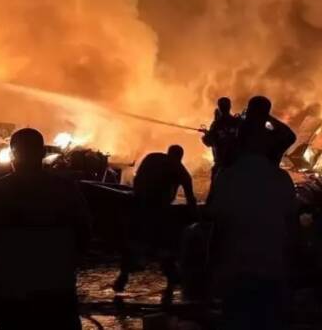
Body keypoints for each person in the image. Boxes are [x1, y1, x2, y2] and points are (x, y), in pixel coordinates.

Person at [0, 128, 92, 330]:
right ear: (43, 154)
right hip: (57, 286)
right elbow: (85, 232)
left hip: (15, 288)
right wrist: (68, 262)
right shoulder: (65, 189)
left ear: (13, 153)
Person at [207, 119, 299, 329]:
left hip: (236, 274)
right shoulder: (281, 179)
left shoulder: (226, 177)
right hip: (272, 272)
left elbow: (217, 229)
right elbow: (294, 231)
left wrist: (211, 271)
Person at [114, 144, 197, 297]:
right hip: (158, 208)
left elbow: (137, 178)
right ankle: (171, 279)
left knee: (134, 241)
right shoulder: (180, 170)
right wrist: (196, 217)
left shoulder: (152, 157)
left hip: (139, 204)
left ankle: (123, 277)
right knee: (164, 244)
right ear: (180, 157)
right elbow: (190, 199)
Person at [240, 95, 297, 165]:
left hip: (252, 166)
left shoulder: (265, 125)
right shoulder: (265, 126)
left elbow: (290, 137)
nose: (248, 110)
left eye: (250, 108)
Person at [202, 97, 240, 179]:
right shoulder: (237, 122)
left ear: (219, 107)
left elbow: (208, 142)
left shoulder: (216, 124)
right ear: (230, 106)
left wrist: (205, 135)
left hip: (221, 164)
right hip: (237, 163)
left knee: (216, 188)